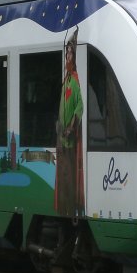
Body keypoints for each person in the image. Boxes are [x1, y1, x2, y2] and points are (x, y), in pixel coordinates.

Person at [55, 28, 84, 217]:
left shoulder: (75, 80)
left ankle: (70, 207)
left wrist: (71, 126)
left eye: (70, 53)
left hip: (70, 138)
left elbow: (79, 106)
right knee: (63, 176)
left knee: (69, 175)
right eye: (66, 53)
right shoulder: (65, 80)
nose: (67, 56)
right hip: (61, 138)